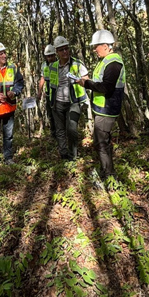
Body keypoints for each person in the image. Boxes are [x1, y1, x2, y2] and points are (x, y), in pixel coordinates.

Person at [76, 30, 125, 186]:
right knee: (102, 141)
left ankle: (108, 177)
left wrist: (87, 83)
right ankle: (107, 172)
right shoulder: (105, 61)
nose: (94, 49)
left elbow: (106, 87)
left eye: (96, 46)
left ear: (105, 46)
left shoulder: (113, 64)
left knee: (101, 143)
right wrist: (89, 80)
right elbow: (101, 82)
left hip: (108, 110)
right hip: (102, 109)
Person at [49, 36, 89, 161]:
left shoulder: (77, 64)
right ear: (57, 52)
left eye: (66, 49)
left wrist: (80, 82)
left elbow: (87, 80)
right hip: (57, 103)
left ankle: (73, 155)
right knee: (60, 130)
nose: (65, 52)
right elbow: (51, 84)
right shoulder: (53, 66)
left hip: (74, 102)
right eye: (61, 50)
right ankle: (64, 154)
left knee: (71, 129)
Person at [37, 44, 58, 138]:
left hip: (59, 94)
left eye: (51, 55)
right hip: (49, 94)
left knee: (60, 115)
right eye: (48, 56)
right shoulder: (44, 65)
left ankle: (62, 134)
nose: (50, 57)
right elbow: (43, 78)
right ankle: (53, 134)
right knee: (51, 115)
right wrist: (39, 92)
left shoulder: (59, 63)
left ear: (55, 55)